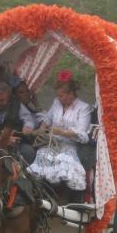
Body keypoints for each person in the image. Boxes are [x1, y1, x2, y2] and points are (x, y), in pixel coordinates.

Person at [28, 72, 92, 204]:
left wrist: (62, 132)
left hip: (70, 145)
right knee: (42, 157)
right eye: (58, 95)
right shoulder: (56, 103)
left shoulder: (83, 108)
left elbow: (82, 134)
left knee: (64, 163)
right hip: (52, 143)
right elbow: (47, 119)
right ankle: (44, 196)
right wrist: (40, 131)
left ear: (71, 94)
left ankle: (67, 199)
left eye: (61, 95)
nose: (59, 98)